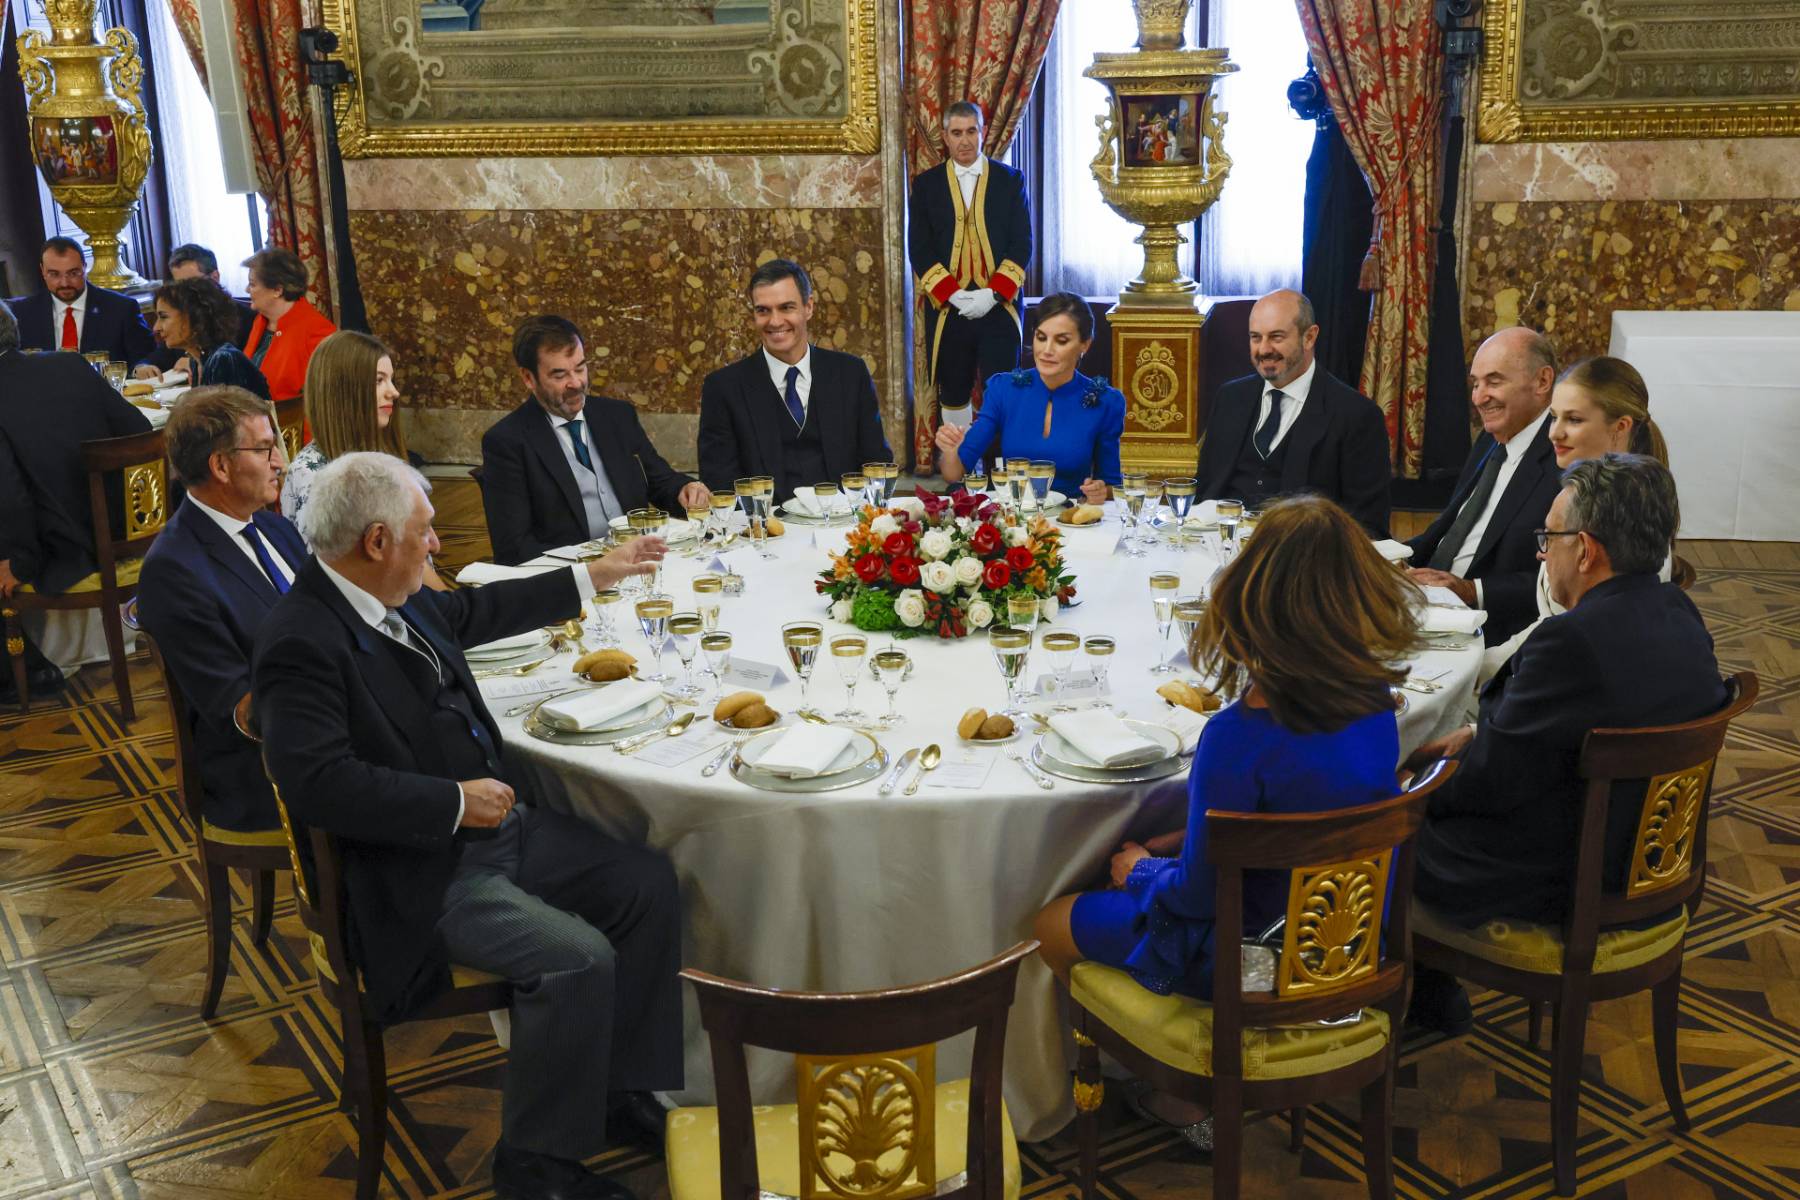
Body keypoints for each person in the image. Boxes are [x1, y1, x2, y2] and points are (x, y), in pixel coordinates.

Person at [255, 453, 682, 1199]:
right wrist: (451, 801)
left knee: (645, 884)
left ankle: (617, 1095)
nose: (438, 546)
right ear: (378, 540)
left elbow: (477, 612)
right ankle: (535, 1168)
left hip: (494, 833)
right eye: (425, 533)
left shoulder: (397, 593)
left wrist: (598, 575)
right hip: (420, 872)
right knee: (576, 958)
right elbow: (317, 783)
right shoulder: (302, 640)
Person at [1032, 495, 1419, 1150]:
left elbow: (1195, 897)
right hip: (1346, 948)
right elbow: (1306, 807)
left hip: (1255, 967)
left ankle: (1171, 1091)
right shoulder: (1378, 706)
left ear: (1253, 600)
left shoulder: (1238, 734)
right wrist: (1189, 839)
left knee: (1048, 922)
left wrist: (1139, 870)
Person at [1405, 454, 1725, 1034]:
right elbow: (1584, 728)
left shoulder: (1570, 642)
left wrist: (1409, 797)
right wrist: (1480, 737)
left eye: (1547, 537)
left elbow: (1490, 786)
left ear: (1585, 549)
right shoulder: (1677, 609)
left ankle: (1414, 1001)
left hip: (1564, 876)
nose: (1539, 553)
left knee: (1379, 835)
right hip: (1646, 863)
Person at [137, 387, 302, 832]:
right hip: (265, 774)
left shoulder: (272, 528)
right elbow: (239, 711)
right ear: (221, 466)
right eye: (266, 449)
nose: (280, 462)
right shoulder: (174, 569)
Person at [1479, 356, 1673, 683]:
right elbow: (1547, 627)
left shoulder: (1631, 519)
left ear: (1620, 427)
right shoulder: (1580, 494)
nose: (1555, 433)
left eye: (1574, 420)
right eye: (1554, 417)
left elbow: (1582, 648)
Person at [0, 298, 151, 694]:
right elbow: (137, 430)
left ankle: (27, 671)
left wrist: (19, 562)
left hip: (59, 548)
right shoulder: (68, 363)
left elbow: (11, 496)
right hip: (126, 529)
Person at [483, 315, 709, 565]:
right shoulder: (507, 442)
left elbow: (659, 481)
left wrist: (685, 490)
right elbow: (514, 548)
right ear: (528, 378)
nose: (576, 383)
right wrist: (590, 569)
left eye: (580, 368)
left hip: (639, 563)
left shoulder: (617, 417)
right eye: (559, 375)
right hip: (573, 578)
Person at [1406, 327, 1562, 644]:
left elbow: (1561, 581)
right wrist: (1398, 560)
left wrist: (1470, 590)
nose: (1478, 397)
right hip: (1428, 603)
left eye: (1494, 381)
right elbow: (1451, 529)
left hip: (1489, 629)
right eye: (1476, 384)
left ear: (1542, 382)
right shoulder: (1489, 441)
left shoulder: (1563, 460)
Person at [1193, 289, 1391, 537]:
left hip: (1304, 559)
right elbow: (1205, 492)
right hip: (1218, 547)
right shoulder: (1230, 398)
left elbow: (1368, 527)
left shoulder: (1356, 416)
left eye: (1276, 337)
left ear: (1309, 337)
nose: (1263, 350)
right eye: (1255, 337)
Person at [696, 259, 890, 504]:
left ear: (808, 307)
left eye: (786, 307)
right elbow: (719, 483)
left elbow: (877, 464)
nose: (775, 321)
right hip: (768, 534)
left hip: (844, 529)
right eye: (763, 310)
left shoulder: (851, 374)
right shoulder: (723, 388)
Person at [907, 101, 1033, 442]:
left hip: (999, 307)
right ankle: (959, 469)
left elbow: (1022, 244)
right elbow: (919, 248)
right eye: (957, 133)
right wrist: (954, 294)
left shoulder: (1010, 181)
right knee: (954, 389)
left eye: (971, 131)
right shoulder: (926, 185)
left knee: (1003, 389)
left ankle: (1002, 471)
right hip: (950, 309)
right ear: (945, 137)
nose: (965, 141)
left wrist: (992, 294)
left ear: (983, 132)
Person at [933, 292, 1123, 503]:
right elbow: (954, 474)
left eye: (1061, 341)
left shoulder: (1105, 401)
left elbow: (1111, 484)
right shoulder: (1004, 390)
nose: (1046, 350)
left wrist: (1099, 491)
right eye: (1041, 338)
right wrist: (951, 451)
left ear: (1084, 345)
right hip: (1013, 519)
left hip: (1070, 519)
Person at [283, 330, 408, 528]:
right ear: (344, 390)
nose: (393, 392)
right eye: (379, 381)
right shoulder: (310, 474)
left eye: (391, 380)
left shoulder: (378, 450)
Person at [9, 236, 155, 365]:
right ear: (42, 271)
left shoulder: (121, 309)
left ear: (84, 268)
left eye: (73, 273)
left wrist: (142, 367)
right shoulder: (22, 313)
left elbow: (146, 357)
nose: (64, 283)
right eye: (54, 274)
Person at [138, 244, 258, 375]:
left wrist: (196, 360)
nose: (183, 293)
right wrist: (142, 366)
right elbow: (159, 356)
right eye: (179, 285)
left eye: (191, 284)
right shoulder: (180, 319)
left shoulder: (246, 318)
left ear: (215, 277)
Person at [241, 246, 337, 403]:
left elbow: (325, 402)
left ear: (277, 290)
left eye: (252, 284)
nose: (247, 290)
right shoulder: (262, 320)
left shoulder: (318, 332)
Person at [149, 278, 270, 400]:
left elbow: (221, 418)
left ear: (195, 316)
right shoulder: (197, 359)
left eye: (163, 317)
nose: (156, 328)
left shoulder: (223, 358)